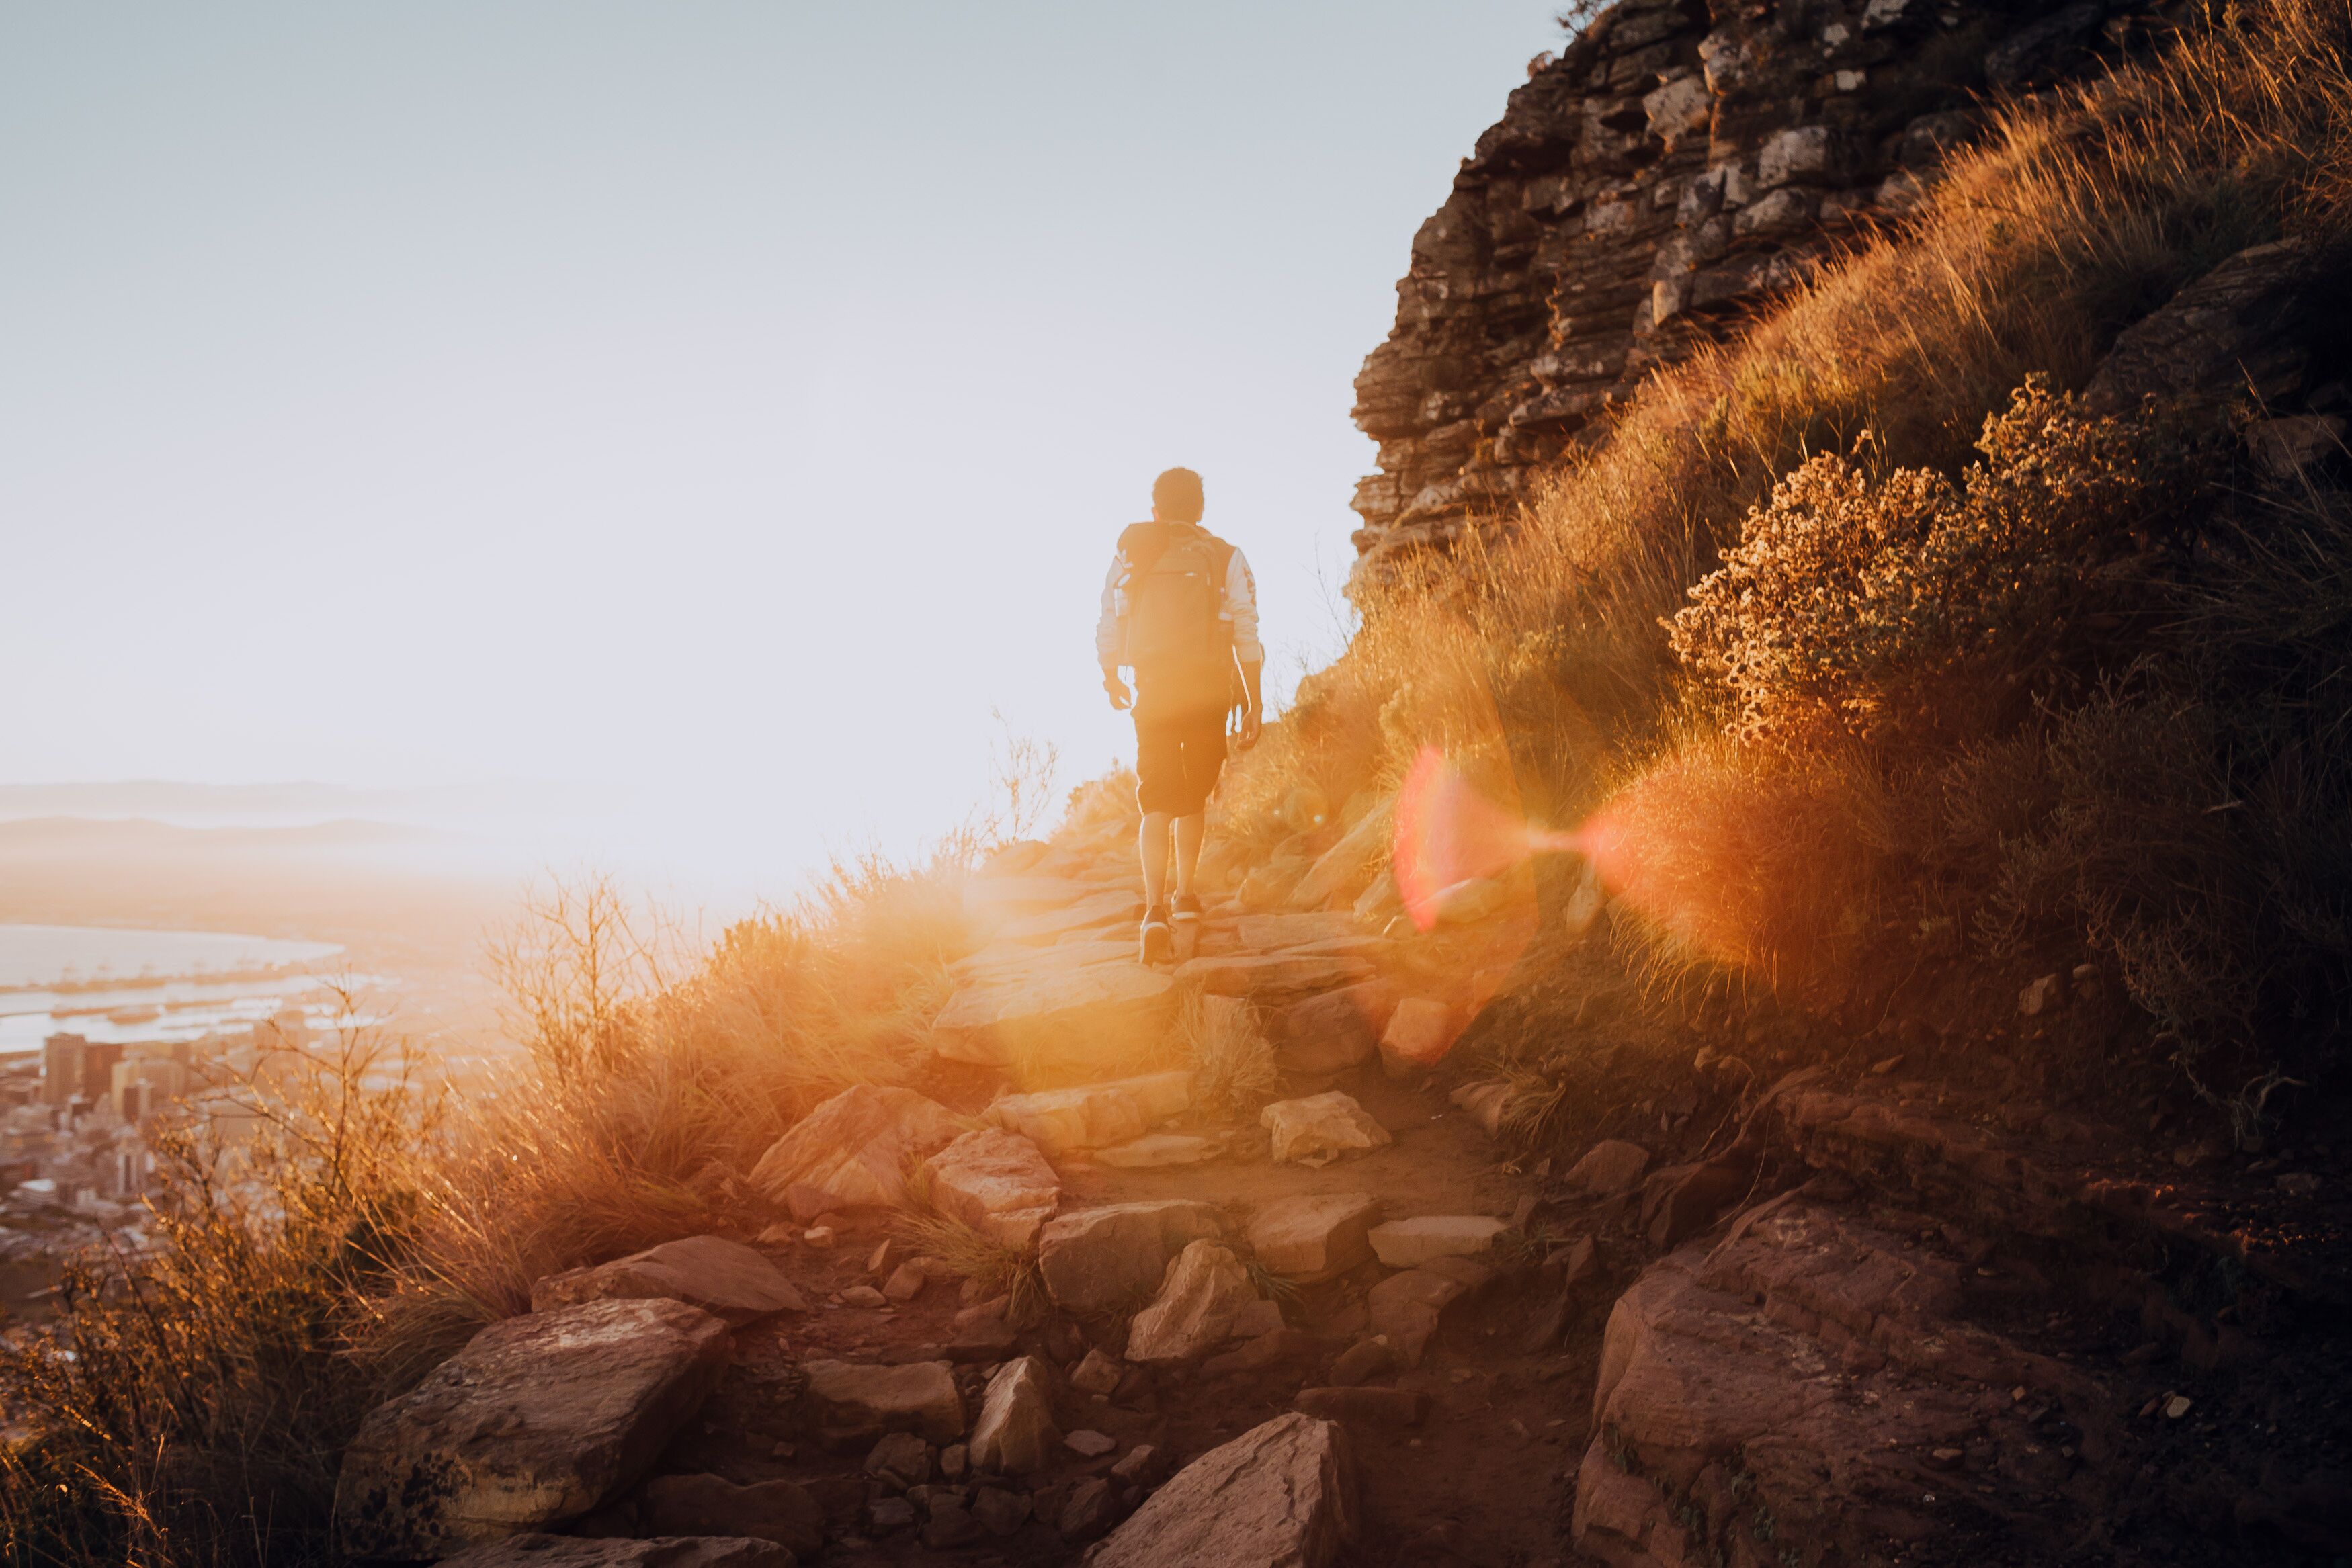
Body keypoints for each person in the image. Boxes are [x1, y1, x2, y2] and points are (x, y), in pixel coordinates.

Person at [1097, 466, 1263, 965]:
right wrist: (1254, 699)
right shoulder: (1226, 555)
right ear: (1201, 510)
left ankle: (1153, 911)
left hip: (1154, 687)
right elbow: (1246, 629)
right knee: (1193, 798)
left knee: (1156, 799)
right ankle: (1186, 898)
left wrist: (1110, 673)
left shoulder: (1133, 547)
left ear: (1157, 511)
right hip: (1209, 689)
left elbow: (1110, 611)